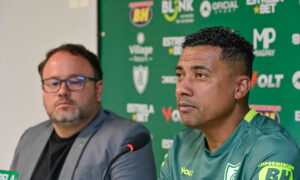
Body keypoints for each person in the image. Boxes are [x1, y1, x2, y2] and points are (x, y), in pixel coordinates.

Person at [160, 26, 300, 180]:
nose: (181, 88)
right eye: (180, 75)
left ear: (240, 88)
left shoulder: (272, 150)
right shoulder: (181, 144)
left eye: (200, 75)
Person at [10, 44, 156, 180]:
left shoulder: (125, 139)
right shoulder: (30, 138)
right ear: (43, 90)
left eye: (75, 81)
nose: (62, 91)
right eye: (53, 83)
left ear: (98, 90)